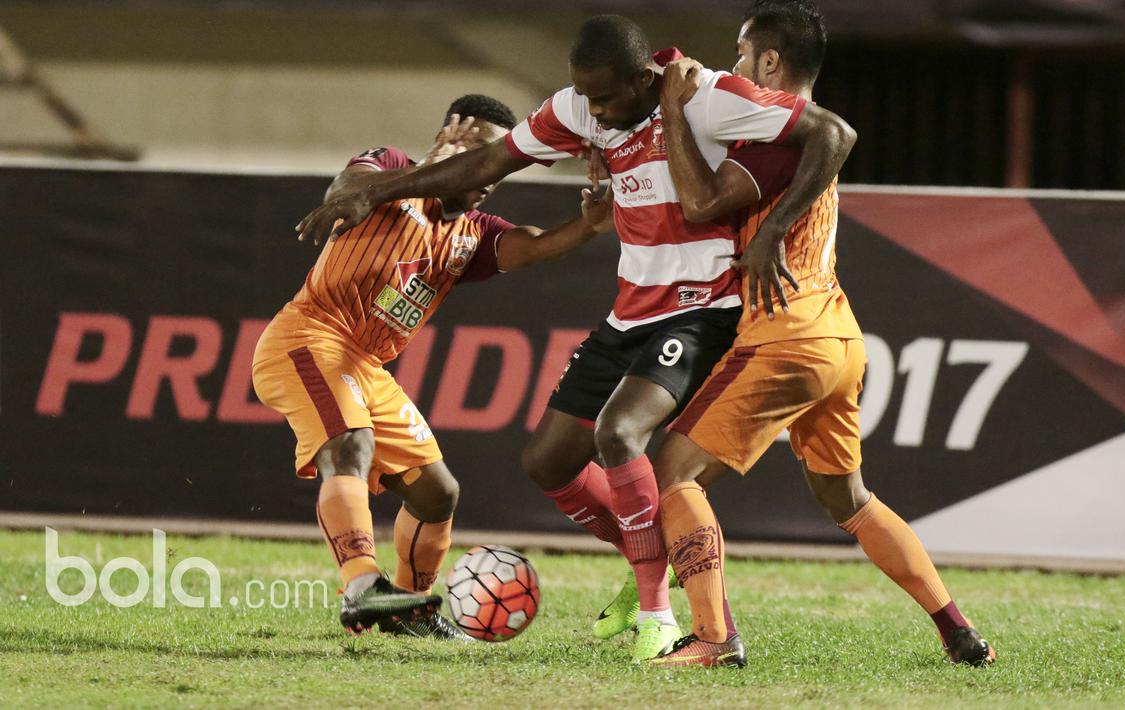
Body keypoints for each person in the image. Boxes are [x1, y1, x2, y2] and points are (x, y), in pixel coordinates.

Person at [296, 15, 863, 662]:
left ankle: (657, 613)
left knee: (619, 433)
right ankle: (653, 555)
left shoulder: (708, 97)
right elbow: (489, 162)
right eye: (584, 98)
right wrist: (377, 192)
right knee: (548, 460)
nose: (592, 112)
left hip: (702, 307)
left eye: (605, 98)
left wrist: (770, 232)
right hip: (629, 311)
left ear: (643, 77)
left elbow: (833, 133)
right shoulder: (580, 110)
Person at [633, 1, 996, 668]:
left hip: (785, 337)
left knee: (674, 473)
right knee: (847, 498)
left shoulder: (778, 142)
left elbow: (698, 203)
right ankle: (957, 629)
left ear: (770, 61)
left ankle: (714, 638)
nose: (735, 67)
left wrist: (672, 113)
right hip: (837, 338)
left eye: (743, 55)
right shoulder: (793, 143)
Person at [255, 94, 613, 639]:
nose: (489, 174)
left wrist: (587, 226)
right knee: (349, 444)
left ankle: (407, 607)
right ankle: (359, 586)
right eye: (479, 155)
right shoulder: (394, 168)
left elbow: (533, 246)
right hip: (311, 337)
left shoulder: (472, 233)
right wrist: (428, 169)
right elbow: (345, 191)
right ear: (448, 141)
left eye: (500, 166)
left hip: (367, 366)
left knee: (437, 492)